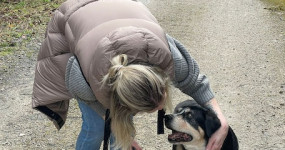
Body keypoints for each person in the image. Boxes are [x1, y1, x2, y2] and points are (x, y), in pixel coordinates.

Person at [32, 0, 229, 150]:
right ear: (123, 101)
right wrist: (120, 129)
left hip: (125, 9)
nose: (163, 107)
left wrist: (222, 122)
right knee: (95, 126)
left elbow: (196, 83)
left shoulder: (165, 54)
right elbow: (102, 106)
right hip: (75, 14)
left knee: (120, 128)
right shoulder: (82, 79)